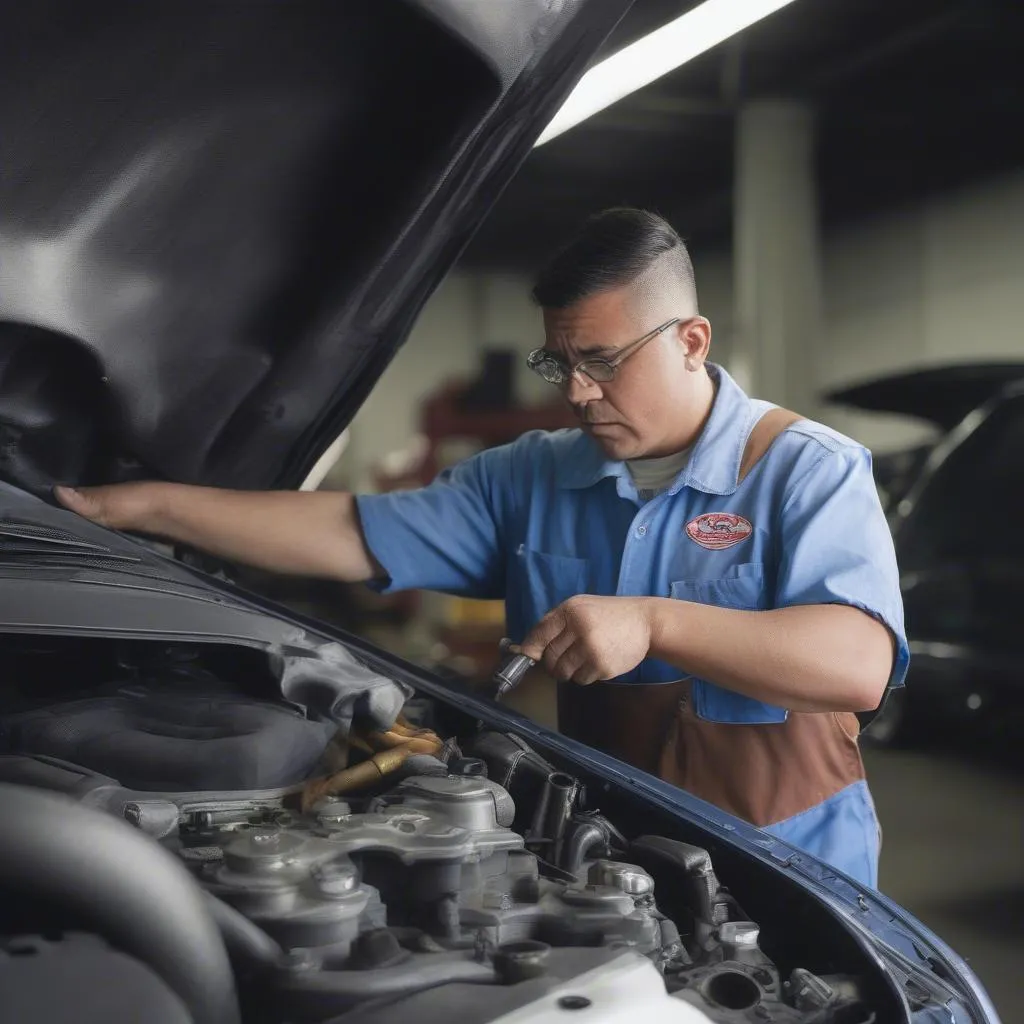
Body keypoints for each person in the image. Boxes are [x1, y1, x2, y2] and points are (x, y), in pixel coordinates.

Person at [55, 207, 908, 888]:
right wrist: (152, 506)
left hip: (796, 869)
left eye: (603, 361)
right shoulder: (529, 478)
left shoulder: (809, 470)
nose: (577, 392)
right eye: (560, 360)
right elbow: (351, 531)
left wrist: (654, 622)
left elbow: (857, 663)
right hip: (614, 854)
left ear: (691, 340)